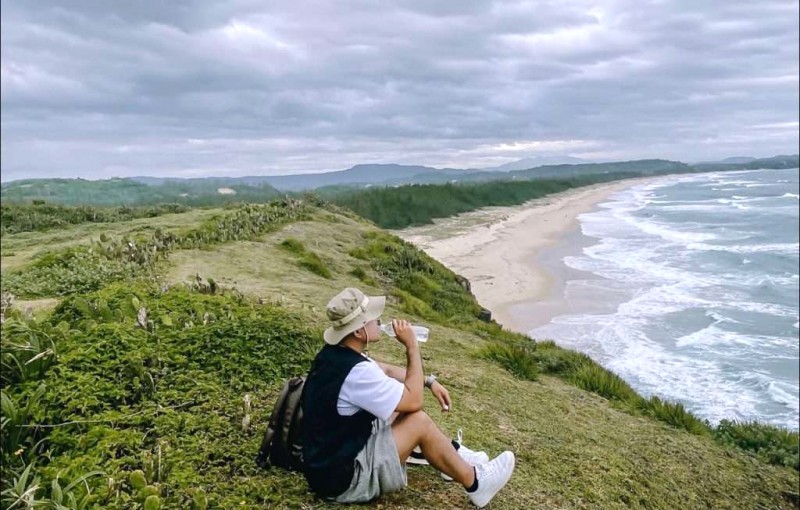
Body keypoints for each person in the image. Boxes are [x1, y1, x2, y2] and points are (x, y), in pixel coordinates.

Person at [302, 287, 516, 508]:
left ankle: (452, 457)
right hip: (343, 481)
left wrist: (430, 381)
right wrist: (412, 346)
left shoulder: (335, 355)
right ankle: (476, 483)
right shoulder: (357, 373)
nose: (379, 321)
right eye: (373, 318)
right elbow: (415, 400)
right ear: (358, 331)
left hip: (325, 465)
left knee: (395, 402)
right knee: (418, 420)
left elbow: (384, 371)